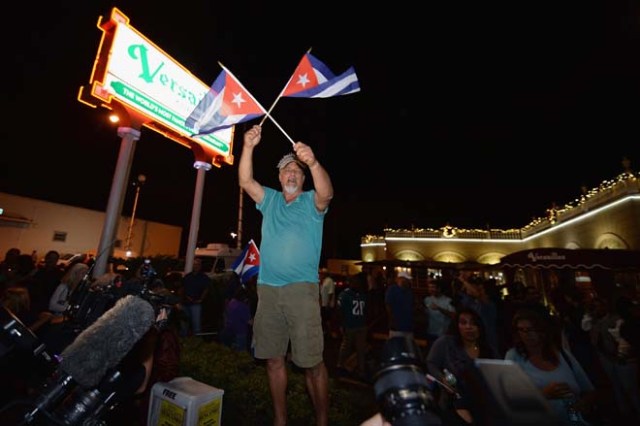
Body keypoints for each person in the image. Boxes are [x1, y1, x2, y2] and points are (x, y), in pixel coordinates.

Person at [238, 124, 333, 426]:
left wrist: (314, 162)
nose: (291, 174)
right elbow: (245, 179)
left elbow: (327, 193)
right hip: (267, 291)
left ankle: (322, 421)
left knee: (312, 363)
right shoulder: (270, 200)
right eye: (286, 170)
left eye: (297, 170)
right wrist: (249, 146)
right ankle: (281, 420)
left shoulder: (311, 203)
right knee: (273, 359)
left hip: (302, 292)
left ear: (303, 179)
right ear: (279, 178)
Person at [507, 308, 597, 425]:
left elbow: (588, 391)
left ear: (542, 330)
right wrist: (543, 395)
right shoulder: (514, 357)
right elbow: (510, 400)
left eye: (530, 329)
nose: (526, 335)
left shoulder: (563, 354)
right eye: (521, 330)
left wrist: (582, 404)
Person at [427, 307, 499, 425]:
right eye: (463, 323)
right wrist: (442, 379)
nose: (468, 327)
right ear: (457, 325)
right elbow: (431, 363)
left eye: (473, 323)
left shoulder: (489, 349)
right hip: (452, 404)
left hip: (484, 407)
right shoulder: (446, 342)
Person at [335, 271, 369, 381]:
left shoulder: (362, 294)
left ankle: (361, 370)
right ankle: (340, 366)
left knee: (360, 348)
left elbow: (366, 309)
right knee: (346, 346)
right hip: (350, 325)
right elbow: (339, 310)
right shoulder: (345, 295)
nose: (357, 284)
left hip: (361, 325)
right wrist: (341, 324)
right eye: (355, 282)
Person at [181, 257, 210, 336]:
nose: (196, 266)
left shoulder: (204, 277)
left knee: (196, 325)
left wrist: (201, 299)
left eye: (198, 265)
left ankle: (197, 341)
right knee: (184, 325)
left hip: (196, 304)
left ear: (200, 266)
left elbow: (206, 289)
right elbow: (182, 288)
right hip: (185, 303)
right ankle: (183, 341)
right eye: (194, 264)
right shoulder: (188, 276)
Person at [385, 270, 414, 339]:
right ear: (401, 279)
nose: (408, 281)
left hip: (408, 326)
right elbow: (388, 305)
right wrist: (392, 320)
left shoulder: (409, 291)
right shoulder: (392, 290)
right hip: (397, 326)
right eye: (406, 280)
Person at [319, 267, 336, 334]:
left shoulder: (329, 280)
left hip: (327, 304)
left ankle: (330, 332)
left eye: (322, 273)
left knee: (328, 319)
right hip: (322, 304)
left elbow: (330, 293)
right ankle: (325, 331)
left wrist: (328, 303)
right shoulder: (322, 281)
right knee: (323, 319)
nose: (320, 275)